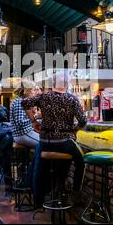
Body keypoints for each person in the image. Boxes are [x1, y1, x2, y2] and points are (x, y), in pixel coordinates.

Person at [22, 70, 87, 206]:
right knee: (81, 160)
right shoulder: (72, 99)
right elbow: (83, 121)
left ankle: (53, 191)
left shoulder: (43, 97)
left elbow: (25, 103)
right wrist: (74, 130)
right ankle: (75, 193)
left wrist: (34, 121)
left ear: (53, 83)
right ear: (67, 83)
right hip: (64, 142)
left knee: (48, 163)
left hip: (45, 142)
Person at [10, 79, 40, 148]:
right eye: (32, 90)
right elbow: (20, 122)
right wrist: (33, 119)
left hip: (25, 133)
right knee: (44, 144)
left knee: (46, 141)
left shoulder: (22, 101)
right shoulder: (19, 102)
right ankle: (36, 159)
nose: (34, 92)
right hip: (22, 134)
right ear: (26, 91)